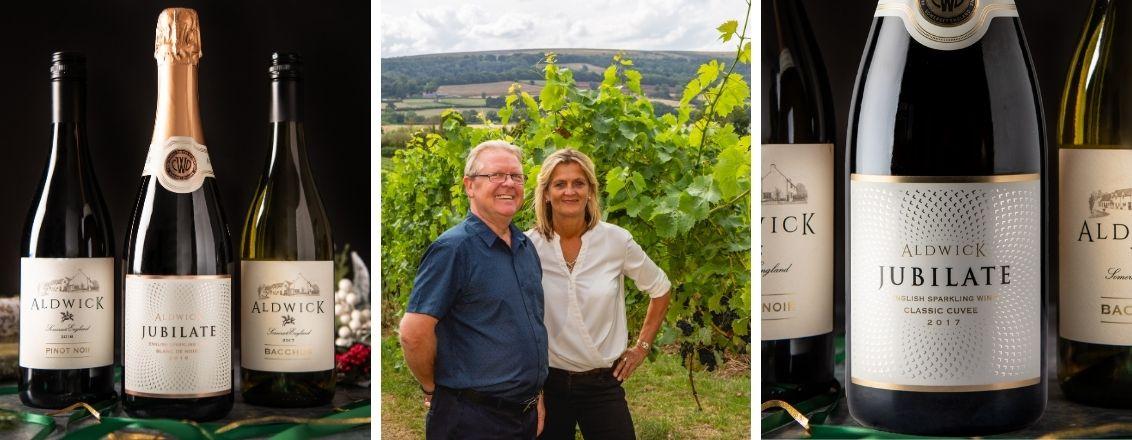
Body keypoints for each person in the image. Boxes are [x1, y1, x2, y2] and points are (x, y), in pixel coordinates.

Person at [400, 140, 548, 439]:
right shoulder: (454, 249)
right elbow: (413, 332)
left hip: (523, 414)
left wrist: (535, 395)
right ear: (469, 185)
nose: (508, 183)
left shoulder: (524, 246)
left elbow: (529, 325)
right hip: (472, 420)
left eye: (516, 176)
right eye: (496, 175)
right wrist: (433, 388)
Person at [527, 148, 671, 439]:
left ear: (590, 191)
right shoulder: (528, 246)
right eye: (560, 184)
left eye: (579, 183)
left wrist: (641, 348)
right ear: (545, 193)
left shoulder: (615, 241)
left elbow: (661, 288)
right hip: (547, 384)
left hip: (602, 385)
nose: (570, 191)